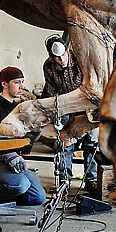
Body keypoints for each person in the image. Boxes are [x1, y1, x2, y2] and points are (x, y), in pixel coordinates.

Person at [0, 66, 46, 205]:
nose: (22, 86)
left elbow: (20, 142)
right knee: (21, 185)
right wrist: (8, 154)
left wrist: (32, 136)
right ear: (4, 84)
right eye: (17, 82)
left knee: (38, 197)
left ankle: (3, 196)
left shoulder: (18, 108)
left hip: (14, 162)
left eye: (22, 82)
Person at [42, 33, 98, 194]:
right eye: (56, 58)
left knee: (91, 143)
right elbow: (52, 90)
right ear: (51, 57)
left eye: (63, 55)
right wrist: (56, 114)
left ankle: (91, 179)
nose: (61, 60)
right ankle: (64, 180)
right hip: (66, 105)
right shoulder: (49, 66)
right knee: (65, 143)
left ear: (67, 50)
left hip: (87, 103)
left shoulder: (81, 60)